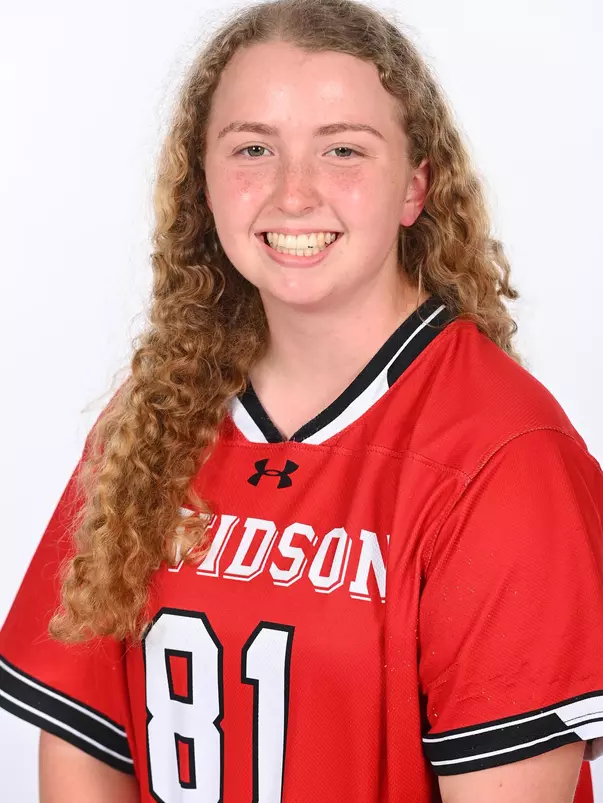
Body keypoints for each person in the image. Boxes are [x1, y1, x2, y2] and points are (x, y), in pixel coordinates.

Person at [1, 0, 602, 800]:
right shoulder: (151, 421)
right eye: (252, 148)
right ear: (202, 181)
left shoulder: (502, 457)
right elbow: (83, 753)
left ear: (414, 186)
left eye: (342, 150)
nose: (292, 194)